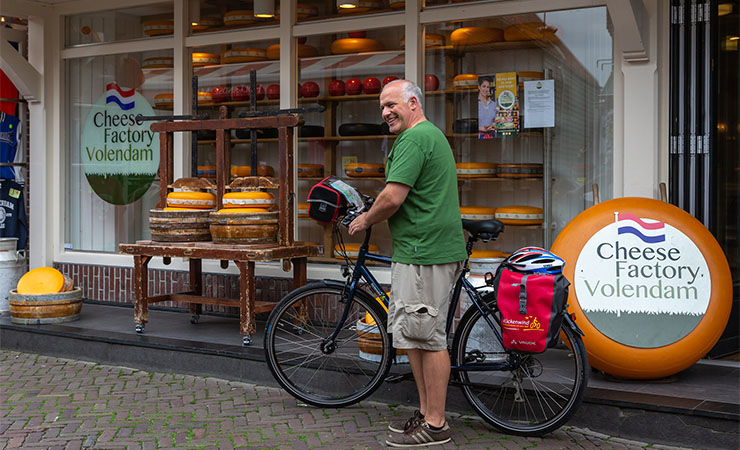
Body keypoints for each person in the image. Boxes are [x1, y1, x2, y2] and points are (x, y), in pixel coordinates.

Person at [348, 79, 468, 447]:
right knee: (416, 336)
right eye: (382, 107)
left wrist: (366, 218)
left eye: (392, 104)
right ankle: (426, 411)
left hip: (425, 252)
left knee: (429, 339)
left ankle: (436, 424)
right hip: (420, 250)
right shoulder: (428, 135)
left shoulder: (415, 139)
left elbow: (393, 196)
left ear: (413, 102)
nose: (385, 112)